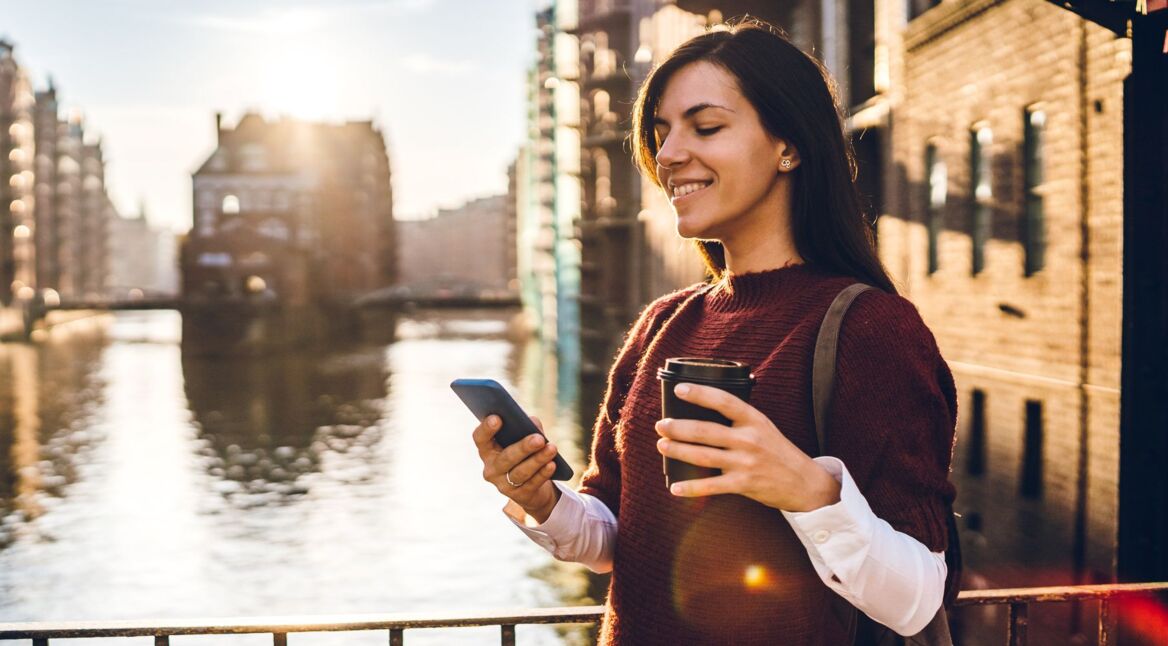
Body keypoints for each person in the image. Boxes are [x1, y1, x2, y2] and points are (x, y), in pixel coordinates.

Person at [471, 18, 956, 646]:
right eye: (661, 132)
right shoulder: (663, 324)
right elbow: (616, 537)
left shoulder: (872, 329)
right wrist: (544, 501)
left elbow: (921, 599)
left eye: (706, 127)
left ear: (790, 146)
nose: (669, 154)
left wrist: (807, 490)